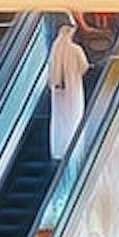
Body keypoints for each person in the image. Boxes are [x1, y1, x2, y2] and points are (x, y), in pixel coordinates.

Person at [45, 18, 91, 156]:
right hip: (73, 89)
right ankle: (73, 149)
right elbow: (84, 67)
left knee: (60, 120)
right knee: (74, 118)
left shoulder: (54, 50)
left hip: (58, 93)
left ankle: (58, 149)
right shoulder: (75, 49)